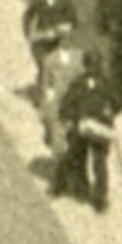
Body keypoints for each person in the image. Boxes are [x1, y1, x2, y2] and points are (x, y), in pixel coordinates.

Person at [59, 50, 119, 212]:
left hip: (94, 128)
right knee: (88, 161)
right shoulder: (101, 83)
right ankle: (89, 192)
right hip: (90, 128)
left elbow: (118, 102)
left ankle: (95, 195)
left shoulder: (82, 83)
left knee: (95, 162)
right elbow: (66, 105)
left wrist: (110, 111)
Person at [39, 24, 84, 192]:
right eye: (63, 38)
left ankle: (75, 179)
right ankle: (58, 181)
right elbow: (46, 84)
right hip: (58, 103)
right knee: (58, 142)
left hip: (75, 105)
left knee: (75, 142)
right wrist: (46, 107)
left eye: (70, 38)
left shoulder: (79, 57)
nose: (67, 41)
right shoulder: (50, 60)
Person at [23, 0, 78, 83]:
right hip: (42, 39)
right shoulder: (39, 0)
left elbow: (73, 19)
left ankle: (48, 85)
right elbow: (28, 16)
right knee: (42, 64)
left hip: (59, 40)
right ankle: (43, 86)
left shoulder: (65, 1)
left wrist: (66, 26)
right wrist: (28, 32)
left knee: (56, 66)